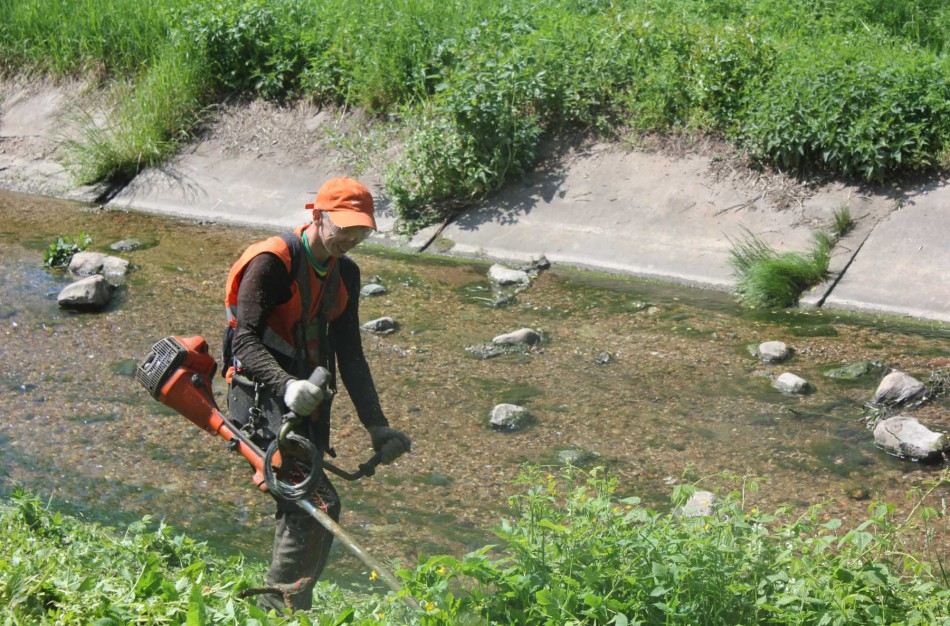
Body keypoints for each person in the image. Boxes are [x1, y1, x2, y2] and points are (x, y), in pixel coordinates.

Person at [223, 177, 411, 612]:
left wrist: (376, 425)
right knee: (315, 501)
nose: (352, 237)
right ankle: (281, 608)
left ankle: (282, 603)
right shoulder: (272, 262)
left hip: (308, 402)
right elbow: (245, 344)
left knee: (302, 501)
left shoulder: (346, 272)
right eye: (344, 227)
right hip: (258, 398)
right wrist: (287, 386)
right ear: (317, 215)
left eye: (362, 230)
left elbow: (350, 351)